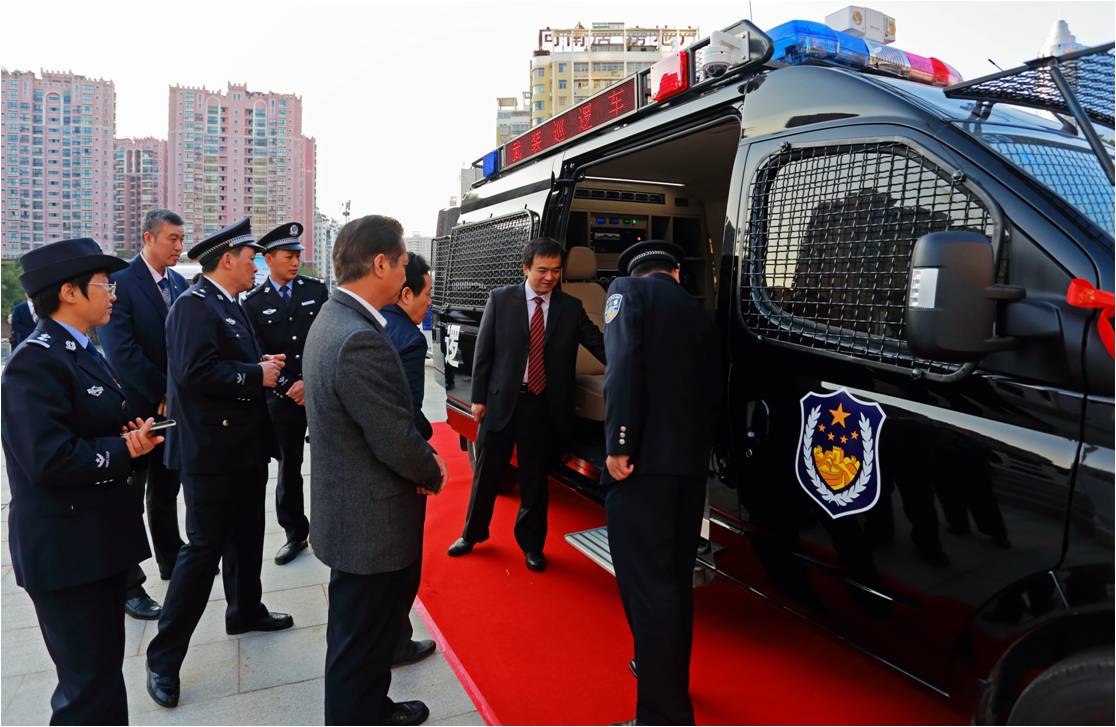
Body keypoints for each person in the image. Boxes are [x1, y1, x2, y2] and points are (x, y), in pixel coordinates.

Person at [2, 237, 165, 724]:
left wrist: (127, 436)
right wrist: (123, 449)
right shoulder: (34, 362)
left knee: (103, 678)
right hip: (66, 552)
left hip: (96, 542)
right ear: (69, 292)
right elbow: (48, 459)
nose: (113, 293)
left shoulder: (81, 349)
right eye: (103, 284)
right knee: (86, 691)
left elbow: (86, 426)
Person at [303, 214, 447, 726]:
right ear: (381, 263)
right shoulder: (357, 337)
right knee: (360, 640)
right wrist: (432, 471)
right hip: (369, 521)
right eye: (403, 261)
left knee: (360, 635)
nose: (407, 272)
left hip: (350, 511)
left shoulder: (335, 317)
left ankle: (371, 709)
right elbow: (394, 437)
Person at [146, 218, 294, 709]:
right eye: (252, 258)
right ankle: (163, 658)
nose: (256, 266)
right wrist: (256, 374)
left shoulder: (229, 303)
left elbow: (229, 360)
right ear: (227, 259)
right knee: (203, 550)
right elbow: (193, 372)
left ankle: (245, 610)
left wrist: (263, 366)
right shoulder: (193, 305)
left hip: (244, 447)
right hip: (210, 452)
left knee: (248, 535)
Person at [601, 241, 720, 726]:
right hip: (688, 469)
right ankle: (667, 682)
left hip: (643, 467)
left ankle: (661, 716)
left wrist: (619, 442)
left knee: (648, 591)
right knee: (673, 586)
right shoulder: (699, 311)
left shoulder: (626, 292)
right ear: (676, 273)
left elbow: (622, 366)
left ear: (637, 272)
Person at [448, 237, 605, 572]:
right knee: (486, 476)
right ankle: (472, 534)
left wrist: (631, 364)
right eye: (542, 270)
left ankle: (532, 546)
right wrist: (478, 398)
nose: (549, 277)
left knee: (535, 483)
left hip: (542, 407)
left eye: (556, 271)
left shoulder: (570, 308)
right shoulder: (501, 299)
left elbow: (599, 344)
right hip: (501, 403)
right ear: (525, 268)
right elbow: (484, 353)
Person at [99, 209, 189, 621]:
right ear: (149, 238)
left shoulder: (178, 283)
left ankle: (171, 556)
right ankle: (129, 584)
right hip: (136, 412)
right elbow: (122, 352)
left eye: (181, 238)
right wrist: (161, 391)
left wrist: (176, 392)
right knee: (129, 498)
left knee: (167, 488)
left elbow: (184, 345)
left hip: (172, 408)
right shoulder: (121, 283)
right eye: (172, 238)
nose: (178, 246)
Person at [241, 221, 327, 566]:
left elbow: (324, 338)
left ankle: (331, 525)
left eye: (297, 255)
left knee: (330, 460)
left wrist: (309, 381)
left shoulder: (315, 290)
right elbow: (256, 352)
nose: (295, 262)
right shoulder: (253, 302)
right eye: (288, 256)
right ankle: (295, 533)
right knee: (289, 467)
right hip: (282, 399)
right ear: (269, 259)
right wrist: (289, 385)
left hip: (317, 392)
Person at [381, 252, 438, 668]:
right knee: (403, 561)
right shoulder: (410, 339)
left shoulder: (368, 323)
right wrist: (425, 459)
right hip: (399, 467)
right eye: (427, 294)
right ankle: (396, 641)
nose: (429, 303)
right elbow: (408, 413)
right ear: (406, 294)